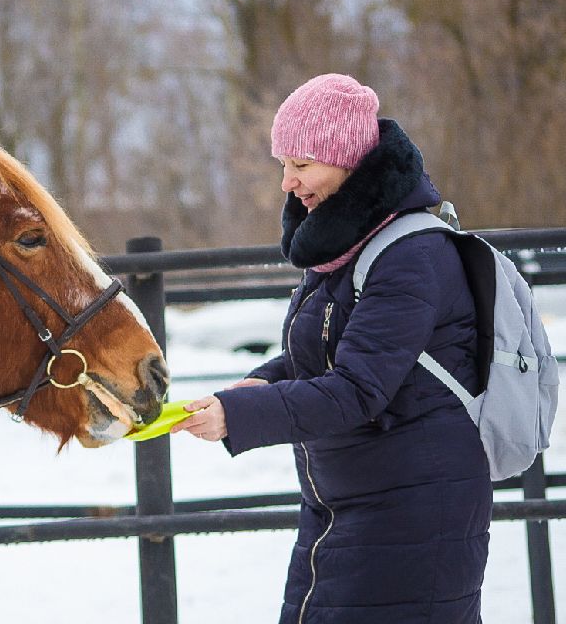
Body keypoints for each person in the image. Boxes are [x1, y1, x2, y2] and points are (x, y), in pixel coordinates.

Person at [171, 73, 491, 623]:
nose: (287, 182)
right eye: (283, 164)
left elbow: (357, 389)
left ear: (345, 159)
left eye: (302, 164)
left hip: (410, 510)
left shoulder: (409, 254)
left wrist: (239, 416)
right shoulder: (342, 248)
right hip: (348, 502)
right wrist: (264, 385)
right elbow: (327, 354)